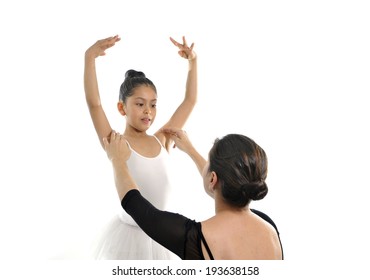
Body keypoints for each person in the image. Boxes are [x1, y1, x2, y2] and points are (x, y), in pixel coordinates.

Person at [84, 35, 197, 259]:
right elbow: (94, 104)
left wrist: (193, 63)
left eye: (153, 105)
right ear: (121, 108)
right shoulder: (116, 143)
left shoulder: (162, 139)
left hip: (161, 237)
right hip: (128, 239)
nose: (148, 111)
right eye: (140, 104)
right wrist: (89, 58)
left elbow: (189, 101)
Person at [103, 129, 284, 260]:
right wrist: (190, 150)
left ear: (213, 179)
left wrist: (117, 160)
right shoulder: (268, 226)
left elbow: (139, 208)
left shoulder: (196, 238)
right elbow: (227, 185)